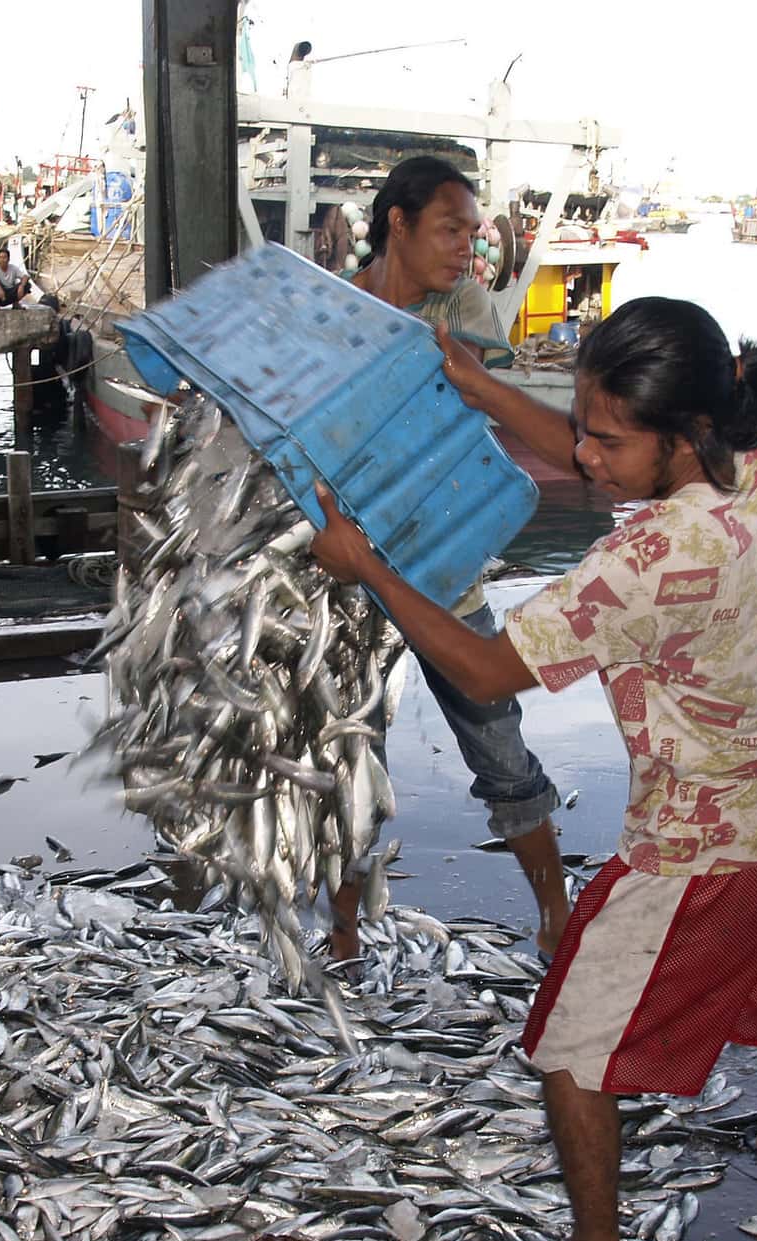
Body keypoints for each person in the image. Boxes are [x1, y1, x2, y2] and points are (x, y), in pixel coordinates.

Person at [310, 296, 757, 1241]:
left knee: (569, 1049)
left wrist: (367, 568)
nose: (584, 457)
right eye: (584, 426)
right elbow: (591, 454)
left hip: (703, 845)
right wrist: (475, 384)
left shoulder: (642, 563)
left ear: (680, 433)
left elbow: (479, 672)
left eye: (606, 438)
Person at [327, 155, 569, 962]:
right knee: (352, 754)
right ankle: (345, 932)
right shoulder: (328, 307)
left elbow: (472, 388)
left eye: (473, 231)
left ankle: (554, 915)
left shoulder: (461, 304)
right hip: (349, 573)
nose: (468, 246)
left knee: (498, 744)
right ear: (397, 222)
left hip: (442, 560)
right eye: (450, 228)